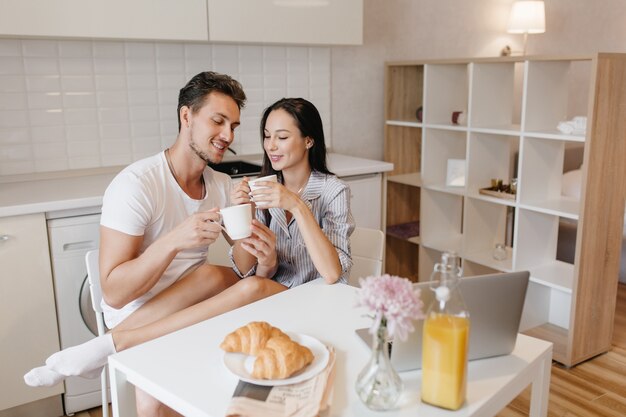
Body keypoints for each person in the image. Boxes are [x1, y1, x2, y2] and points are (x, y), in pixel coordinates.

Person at [25, 96, 353, 415]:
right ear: (187, 117)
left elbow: (330, 275)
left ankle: (112, 346)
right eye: (267, 136)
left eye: (282, 137)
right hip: (267, 295)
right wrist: (250, 226)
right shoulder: (254, 189)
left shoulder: (329, 191)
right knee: (212, 275)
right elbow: (251, 270)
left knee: (246, 288)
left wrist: (294, 204)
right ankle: (109, 345)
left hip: (308, 297)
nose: (271, 146)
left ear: (309, 141)